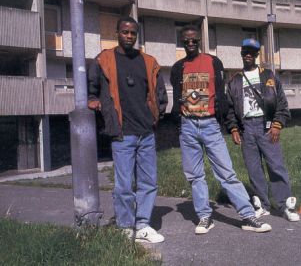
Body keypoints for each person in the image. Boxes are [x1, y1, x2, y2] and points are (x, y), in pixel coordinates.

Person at [170, 25, 271, 234]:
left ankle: (247, 216)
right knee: (195, 175)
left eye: (193, 40)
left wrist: (223, 121)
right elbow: (178, 95)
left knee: (226, 173)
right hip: (188, 126)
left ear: (199, 41)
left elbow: (221, 95)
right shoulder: (177, 67)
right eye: (186, 40)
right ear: (182, 42)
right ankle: (205, 216)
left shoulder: (213, 62)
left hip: (210, 125)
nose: (190, 43)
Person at [88, 16, 168, 243]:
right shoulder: (104, 59)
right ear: (117, 33)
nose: (129, 36)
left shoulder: (148, 61)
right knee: (124, 184)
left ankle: (142, 224)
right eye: (125, 32)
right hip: (122, 133)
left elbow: (159, 95)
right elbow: (91, 87)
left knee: (149, 181)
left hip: (146, 132)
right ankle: (125, 226)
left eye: (133, 33)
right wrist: (93, 99)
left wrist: (156, 117)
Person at [226, 38, 300, 222]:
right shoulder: (234, 80)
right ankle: (263, 205)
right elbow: (228, 109)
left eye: (252, 52)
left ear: (257, 55)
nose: (248, 55)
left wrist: (276, 124)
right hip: (246, 128)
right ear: (241, 54)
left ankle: (285, 206)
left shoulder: (269, 76)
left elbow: (282, 103)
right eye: (245, 52)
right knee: (254, 169)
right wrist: (234, 128)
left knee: (276, 166)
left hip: (266, 127)